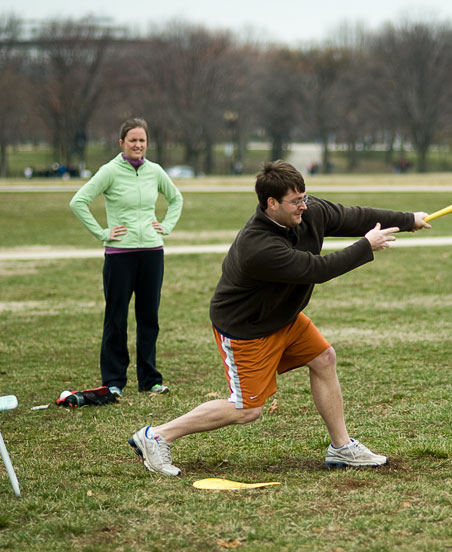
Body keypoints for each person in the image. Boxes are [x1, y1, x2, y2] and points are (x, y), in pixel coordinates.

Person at [128, 160, 430, 475]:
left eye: (305, 197)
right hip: (247, 327)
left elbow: (355, 216)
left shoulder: (309, 211)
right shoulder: (258, 246)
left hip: (283, 317)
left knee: (324, 358)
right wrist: (366, 246)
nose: (304, 206)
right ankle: (156, 436)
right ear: (272, 203)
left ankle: (342, 448)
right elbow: (317, 269)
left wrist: (409, 219)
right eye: (295, 201)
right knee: (247, 409)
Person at [69, 118, 183, 398]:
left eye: (142, 140)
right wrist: (102, 232)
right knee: (116, 318)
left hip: (152, 253)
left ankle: (150, 380)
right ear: (121, 143)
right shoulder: (109, 171)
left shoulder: (154, 171)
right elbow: (78, 201)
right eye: (132, 140)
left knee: (149, 317)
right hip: (120, 255)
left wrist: (165, 226)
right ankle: (114, 381)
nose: (138, 145)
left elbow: (176, 198)